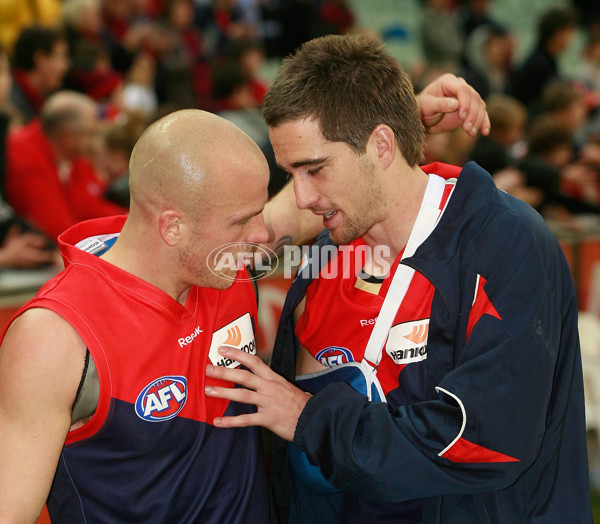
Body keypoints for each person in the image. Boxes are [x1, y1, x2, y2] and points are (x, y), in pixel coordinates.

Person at [0, 60, 490, 522]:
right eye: (241, 220)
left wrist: (397, 124)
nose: (262, 235)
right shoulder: (56, 337)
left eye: (258, 211)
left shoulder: (222, 259)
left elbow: (301, 209)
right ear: (173, 226)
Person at [204, 34, 592, 523]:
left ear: (381, 145)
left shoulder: (505, 244)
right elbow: (228, 255)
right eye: (290, 174)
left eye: (315, 170)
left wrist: (307, 418)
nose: (300, 197)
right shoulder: (329, 252)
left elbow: (481, 442)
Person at [5, 90, 127, 240]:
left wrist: (129, 219)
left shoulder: (69, 155)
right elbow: (58, 229)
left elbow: (87, 204)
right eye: (91, 133)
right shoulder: (27, 160)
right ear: (70, 137)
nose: (94, 142)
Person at [9, 25, 70, 123]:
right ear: (40, 59)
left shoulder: (42, 97)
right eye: (61, 57)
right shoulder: (11, 105)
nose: (65, 67)